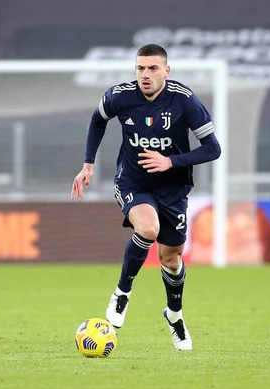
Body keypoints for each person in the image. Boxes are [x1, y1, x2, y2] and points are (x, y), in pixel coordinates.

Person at [71, 44, 221, 351]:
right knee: (148, 229)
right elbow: (98, 119)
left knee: (172, 259)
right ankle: (122, 293)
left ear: (167, 70)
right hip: (133, 182)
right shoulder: (120, 96)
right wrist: (88, 163)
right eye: (140, 68)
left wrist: (172, 161)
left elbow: (213, 148)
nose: (145, 75)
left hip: (174, 189)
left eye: (153, 68)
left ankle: (175, 316)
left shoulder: (184, 100)